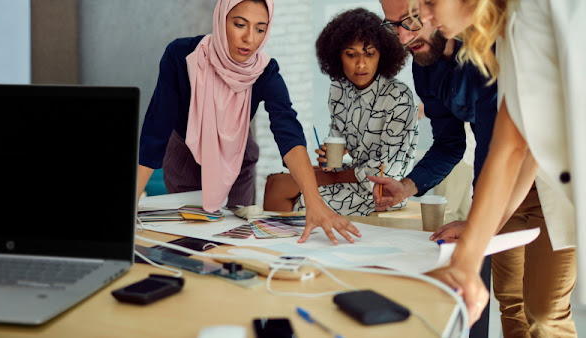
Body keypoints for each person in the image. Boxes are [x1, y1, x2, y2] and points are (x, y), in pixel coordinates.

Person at [414, 0, 583, 335]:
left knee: (545, 312)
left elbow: (512, 149)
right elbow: (511, 148)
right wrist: (471, 251)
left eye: (430, 2)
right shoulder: (503, 36)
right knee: (514, 304)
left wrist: (467, 258)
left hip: (562, 185)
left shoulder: (535, 13)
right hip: (536, 181)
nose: (422, 15)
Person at [137, 0, 361, 245]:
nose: (249, 38)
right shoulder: (181, 56)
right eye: (240, 24)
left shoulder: (264, 71)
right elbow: (155, 131)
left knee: (235, 240)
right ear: (221, 19)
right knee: (194, 242)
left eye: (260, 29)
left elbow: (289, 133)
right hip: (186, 157)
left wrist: (314, 202)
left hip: (238, 159)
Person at [375, 0, 497, 335]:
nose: (402, 37)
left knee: (543, 311)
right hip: (500, 184)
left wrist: (476, 219)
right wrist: (408, 185)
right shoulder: (424, 66)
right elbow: (449, 142)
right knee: (512, 302)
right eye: (393, 24)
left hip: (534, 179)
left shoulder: (491, 48)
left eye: (411, 20)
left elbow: (499, 145)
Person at [262, 7, 417, 216]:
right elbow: (339, 141)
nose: (361, 63)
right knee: (276, 183)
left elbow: (389, 170)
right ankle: (278, 242)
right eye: (351, 54)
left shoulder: (398, 96)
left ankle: (289, 243)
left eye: (369, 54)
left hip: (382, 190)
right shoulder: (339, 88)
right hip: (349, 175)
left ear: (382, 54)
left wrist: (333, 177)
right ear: (338, 56)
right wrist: (329, 158)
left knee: (297, 198)